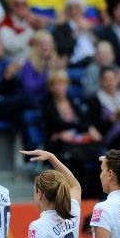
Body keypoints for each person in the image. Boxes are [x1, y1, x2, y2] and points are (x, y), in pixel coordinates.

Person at [41, 70, 102, 199]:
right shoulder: (46, 104)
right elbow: (56, 124)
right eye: (55, 84)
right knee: (75, 158)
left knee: (100, 156)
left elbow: (84, 121)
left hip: (76, 142)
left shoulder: (72, 101)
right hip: (58, 143)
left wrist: (89, 128)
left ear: (67, 85)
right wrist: (80, 128)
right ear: (50, 87)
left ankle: (95, 195)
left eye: (61, 83)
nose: (58, 87)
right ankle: (77, 195)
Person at [88, 66, 120, 140]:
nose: (109, 82)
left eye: (112, 79)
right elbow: (97, 130)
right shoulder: (95, 100)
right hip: (113, 138)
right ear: (100, 81)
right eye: (106, 80)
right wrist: (114, 117)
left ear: (117, 80)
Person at [51, 0, 97, 67]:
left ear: (82, 10)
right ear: (67, 11)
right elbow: (62, 48)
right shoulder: (62, 27)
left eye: (77, 9)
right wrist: (76, 32)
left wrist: (89, 32)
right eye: (71, 9)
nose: (74, 12)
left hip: (94, 58)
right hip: (76, 60)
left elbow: (97, 44)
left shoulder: (89, 25)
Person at [20, 30, 64, 102]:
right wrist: (47, 73)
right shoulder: (28, 65)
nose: (45, 46)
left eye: (49, 43)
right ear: (35, 47)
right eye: (42, 44)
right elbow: (29, 88)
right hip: (38, 101)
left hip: (55, 100)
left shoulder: (56, 62)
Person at [0, 0, 38, 66]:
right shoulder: (5, 23)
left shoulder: (31, 21)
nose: (21, 7)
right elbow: (12, 47)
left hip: (33, 64)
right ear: (10, 6)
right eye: (17, 4)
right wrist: (31, 30)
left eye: (24, 4)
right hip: (14, 64)